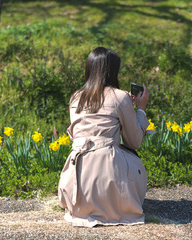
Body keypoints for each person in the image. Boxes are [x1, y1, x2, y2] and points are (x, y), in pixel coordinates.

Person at [58, 47, 150, 227]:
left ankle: (85, 206)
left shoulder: (76, 98)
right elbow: (134, 141)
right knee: (132, 160)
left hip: (77, 183)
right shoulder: (120, 97)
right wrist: (140, 109)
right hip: (109, 181)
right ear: (112, 72)